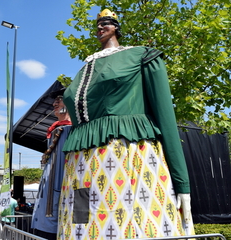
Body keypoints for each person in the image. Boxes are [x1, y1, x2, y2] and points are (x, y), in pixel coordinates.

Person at [57, 8, 195, 240]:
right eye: (98, 24)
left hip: (125, 159)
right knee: (80, 226)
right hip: (79, 171)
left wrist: (183, 183)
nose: (100, 27)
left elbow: (166, 119)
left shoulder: (140, 56)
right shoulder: (84, 68)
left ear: (117, 27)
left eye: (107, 22)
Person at [31, 87, 72, 240]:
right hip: (44, 215)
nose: (54, 103)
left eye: (59, 100)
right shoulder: (56, 129)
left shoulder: (69, 129)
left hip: (54, 215)